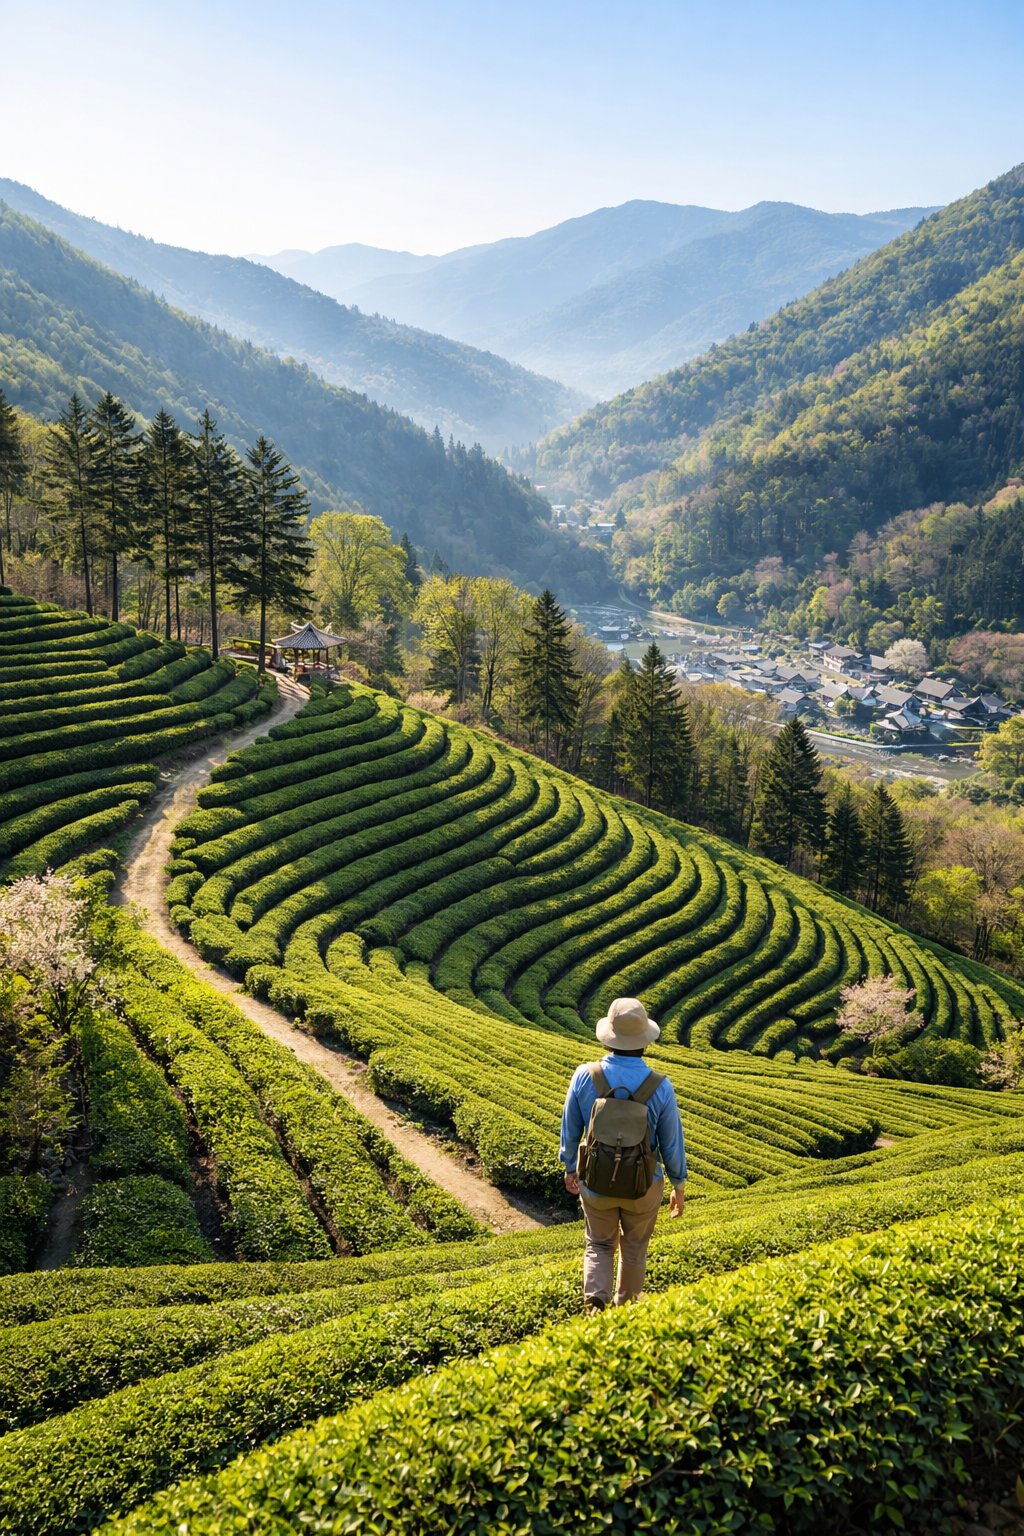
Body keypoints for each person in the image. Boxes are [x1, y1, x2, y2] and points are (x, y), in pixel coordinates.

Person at [560, 996, 686, 1310]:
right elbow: (671, 1143)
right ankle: (625, 1317)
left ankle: (595, 1308)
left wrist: (570, 1167)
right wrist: (678, 1185)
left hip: (595, 1180)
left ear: (610, 1037)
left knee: (599, 1245)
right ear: (644, 1041)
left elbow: (571, 1129)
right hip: (643, 1185)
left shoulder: (584, 1075)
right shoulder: (660, 1086)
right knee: (634, 1250)